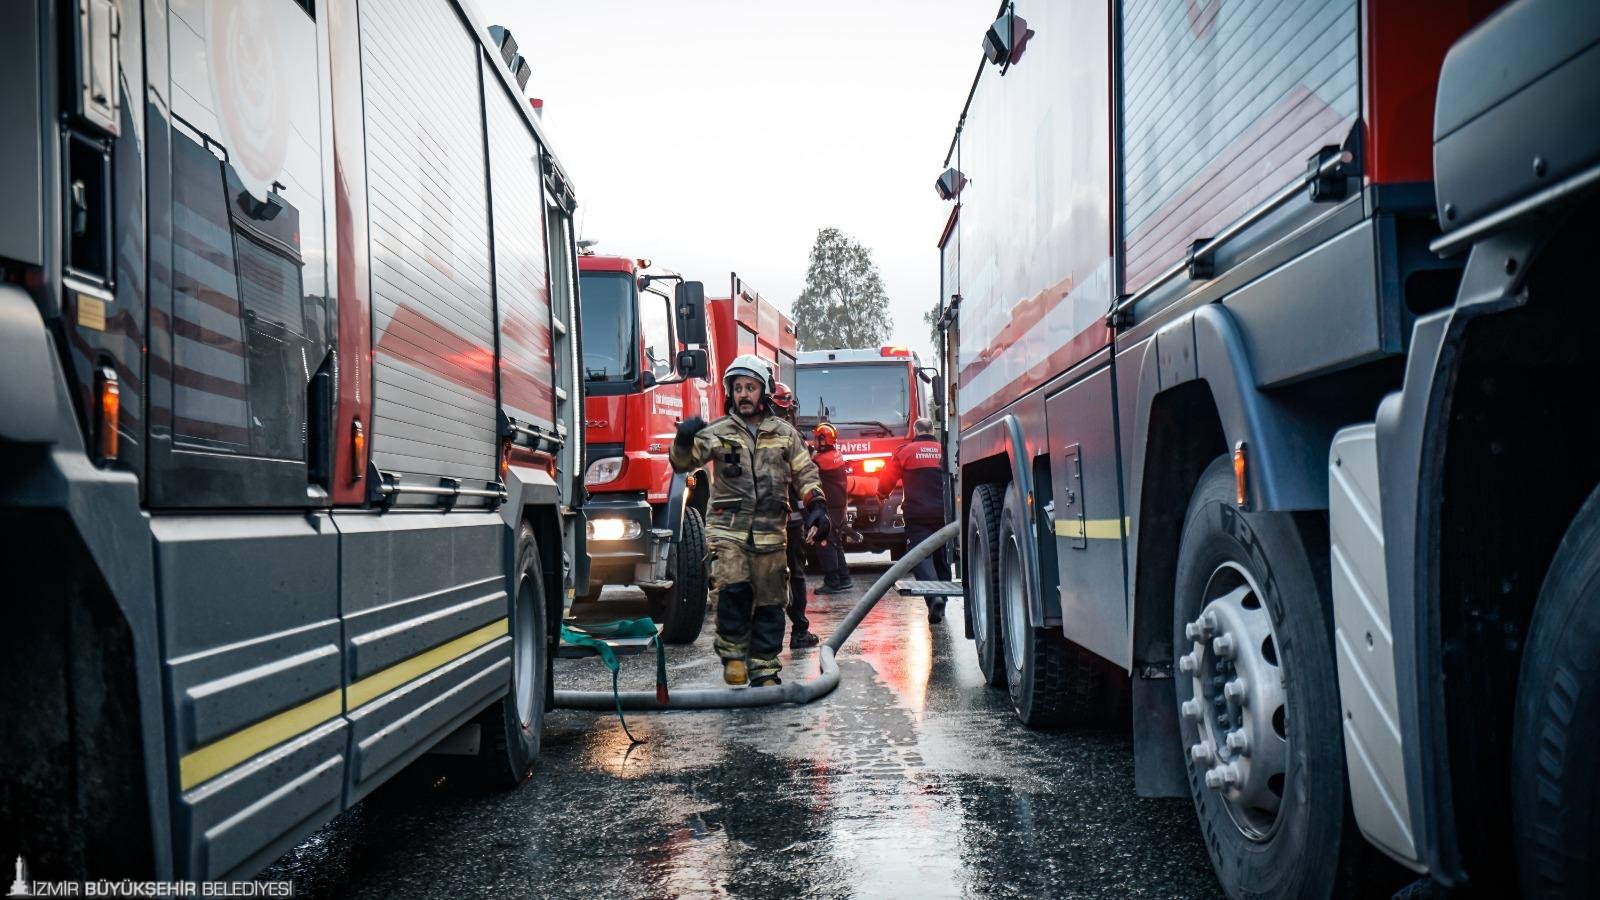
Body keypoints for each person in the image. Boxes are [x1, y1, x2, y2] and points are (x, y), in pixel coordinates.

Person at [671, 356, 829, 686]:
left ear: (764, 392)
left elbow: (805, 472)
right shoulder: (718, 433)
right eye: (738, 388)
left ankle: (764, 668)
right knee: (733, 588)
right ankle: (733, 656)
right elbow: (683, 463)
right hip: (727, 530)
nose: (743, 394)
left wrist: (817, 505)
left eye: (750, 387)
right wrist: (683, 441)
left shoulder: (785, 435)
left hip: (771, 533)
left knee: (771, 601)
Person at [877, 417, 950, 622]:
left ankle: (933, 596)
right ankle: (943, 598)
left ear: (916, 432)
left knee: (920, 555)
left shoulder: (905, 452)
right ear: (932, 431)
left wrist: (882, 494)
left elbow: (888, 478)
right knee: (942, 557)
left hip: (917, 516)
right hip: (944, 515)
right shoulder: (943, 451)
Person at [769, 381, 820, 649]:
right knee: (795, 574)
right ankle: (799, 630)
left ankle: (765, 638)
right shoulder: (792, 436)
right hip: (789, 521)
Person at [811, 422, 853, 595]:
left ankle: (832, 581)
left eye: (816, 438)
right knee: (836, 542)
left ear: (823, 440)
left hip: (830, 505)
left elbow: (808, 466)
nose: (814, 441)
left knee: (825, 542)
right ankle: (844, 578)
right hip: (839, 504)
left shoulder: (822, 460)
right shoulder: (836, 455)